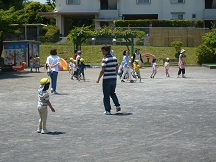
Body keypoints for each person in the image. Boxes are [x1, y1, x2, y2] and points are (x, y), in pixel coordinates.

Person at [96, 45, 121, 115]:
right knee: (112, 92)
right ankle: (117, 105)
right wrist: (115, 75)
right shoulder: (114, 58)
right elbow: (117, 67)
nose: (102, 52)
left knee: (106, 95)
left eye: (103, 51)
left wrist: (98, 79)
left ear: (106, 51)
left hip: (106, 79)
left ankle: (108, 110)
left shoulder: (105, 59)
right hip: (113, 78)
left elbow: (102, 70)